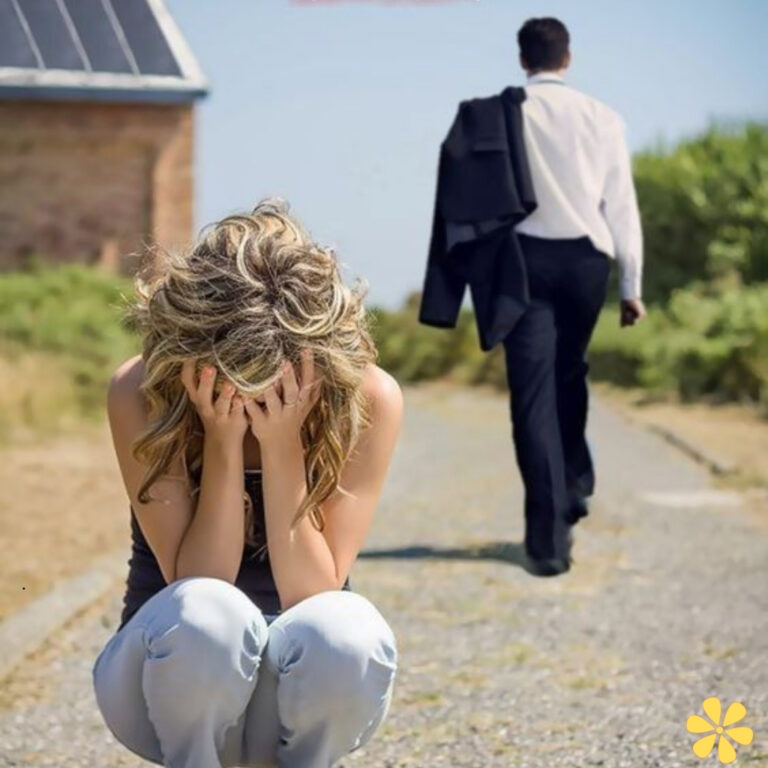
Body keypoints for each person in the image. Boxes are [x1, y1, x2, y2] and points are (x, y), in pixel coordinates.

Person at [91, 197, 404, 768]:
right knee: (211, 613)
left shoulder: (368, 398)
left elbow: (314, 594)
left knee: (348, 630)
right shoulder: (141, 391)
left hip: (298, 691)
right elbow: (195, 583)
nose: (255, 390)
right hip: (166, 684)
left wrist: (283, 446)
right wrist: (222, 440)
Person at [504, 17, 646, 575]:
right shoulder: (603, 117)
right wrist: (631, 285)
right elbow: (621, 207)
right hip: (587, 261)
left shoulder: (503, 113)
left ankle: (547, 540)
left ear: (523, 59)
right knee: (569, 372)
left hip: (523, 262)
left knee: (531, 394)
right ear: (567, 58)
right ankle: (574, 480)